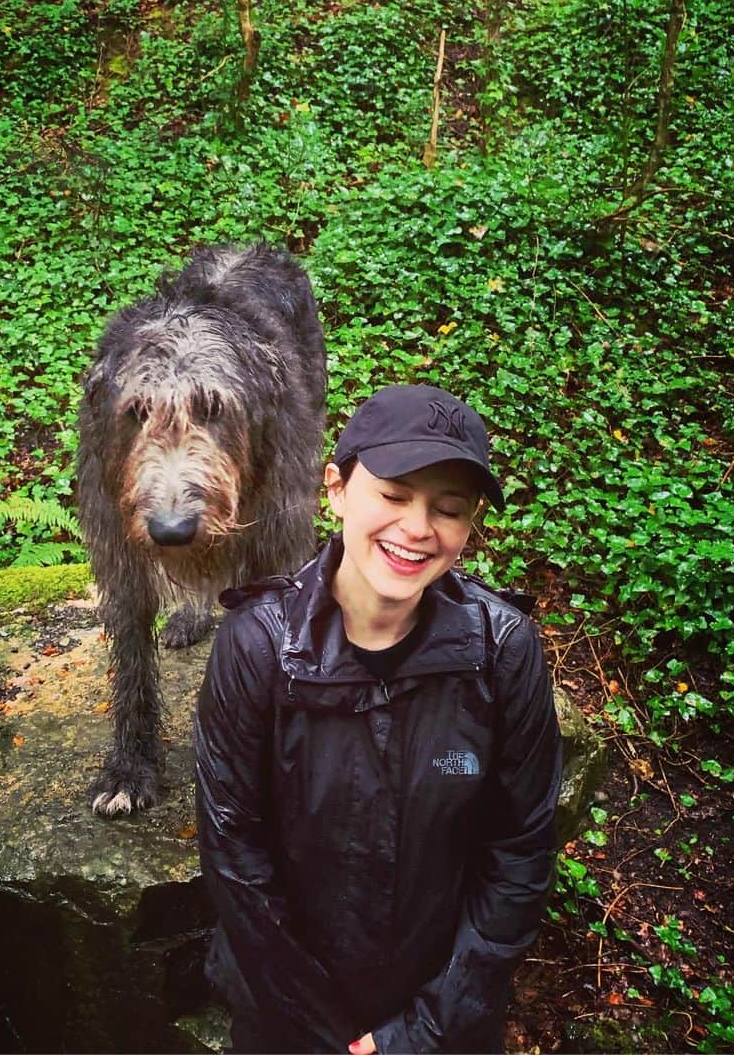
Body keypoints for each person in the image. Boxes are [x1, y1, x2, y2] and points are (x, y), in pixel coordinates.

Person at [194, 383, 563, 1053]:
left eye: (448, 509)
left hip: (443, 1016)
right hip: (287, 1012)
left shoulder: (503, 650)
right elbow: (234, 853)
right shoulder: (258, 644)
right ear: (336, 488)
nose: (418, 529)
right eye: (393, 496)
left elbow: (520, 850)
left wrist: (421, 1032)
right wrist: (329, 1036)